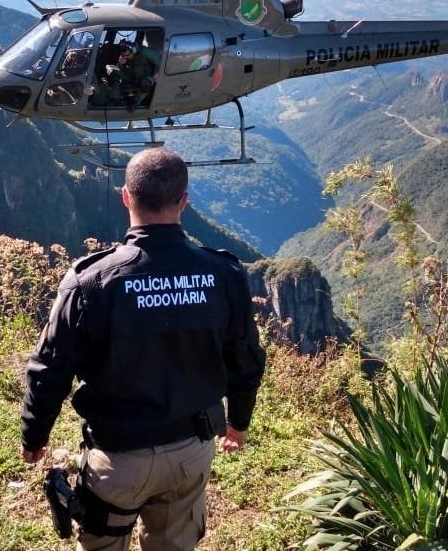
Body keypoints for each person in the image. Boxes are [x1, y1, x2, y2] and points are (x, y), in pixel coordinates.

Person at [21, 147, 266, 551]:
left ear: (126, 197)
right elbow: (245, 358)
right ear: (184, 202)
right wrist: (238, 422)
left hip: (119, 458)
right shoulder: (223, 274)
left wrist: (35, 435)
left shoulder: (91, 281)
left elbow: (51, 368)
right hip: (192, 450)